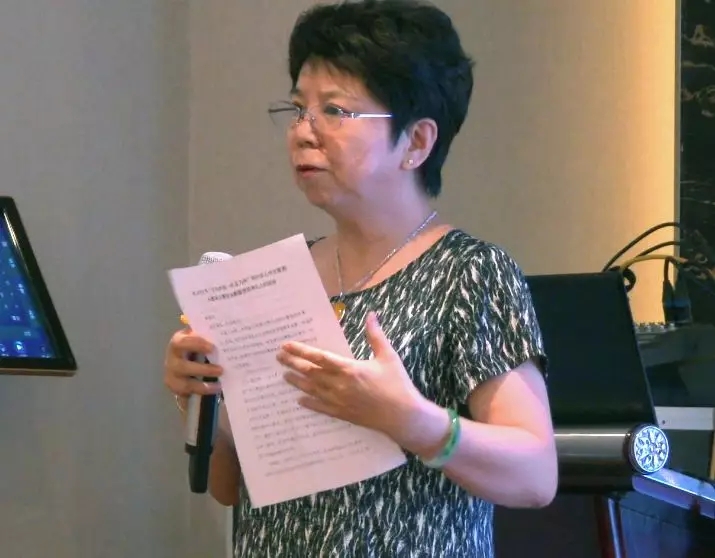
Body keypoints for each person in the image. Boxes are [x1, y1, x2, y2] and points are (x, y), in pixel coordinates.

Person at [163, 1, 558, 556]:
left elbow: (536, 476)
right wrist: (199, 397)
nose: (303, 133)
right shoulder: (276, 279)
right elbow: (232, 489)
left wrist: (413, 422)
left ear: (416, 142)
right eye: (298, 109)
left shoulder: (470, 272)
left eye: (335, 111)